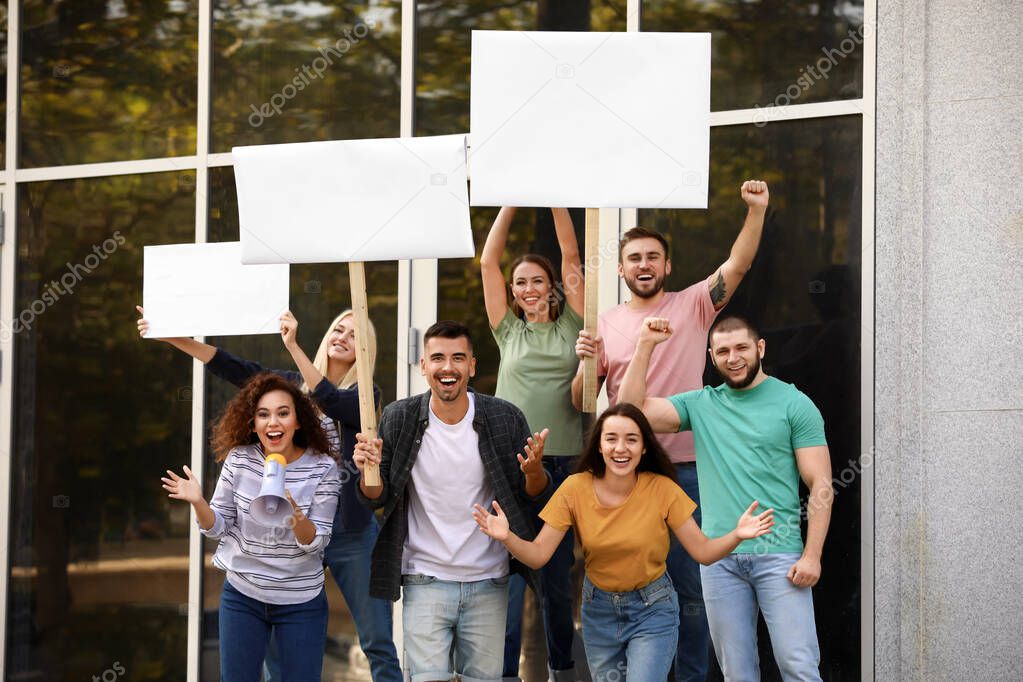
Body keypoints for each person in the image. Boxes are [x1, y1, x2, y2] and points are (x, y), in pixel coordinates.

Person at [571, 180, 770, 681]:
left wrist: (756, 211)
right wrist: (583, 366)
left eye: (653, 257)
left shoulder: (694, 305)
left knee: (691, 591)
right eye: (634, 257)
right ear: (621, 269)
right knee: (633, 586)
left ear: (666, 266)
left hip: (688, 471)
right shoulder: (606, 322)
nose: (644, 264)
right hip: (625, 478)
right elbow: (582, 403)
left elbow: (738, 267)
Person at [137, 306, 401, 681]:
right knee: (280, 647)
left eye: (355, 334)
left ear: (366, 350)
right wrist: (171, 337)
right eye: (339, 329)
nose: (343, 337)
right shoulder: (290, 387)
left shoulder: (364, 395)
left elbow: (328, 399)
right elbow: (231, 367)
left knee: (375, 638)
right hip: (289, 534)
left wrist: (293, 346)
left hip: (348, 534)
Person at [471, 402, 774, 681]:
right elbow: (538, 555)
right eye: (611, 438)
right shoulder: (575, 488)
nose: (621, 448)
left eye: (631, 439)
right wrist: (506, 537)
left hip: (653, 608)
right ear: (599, 446)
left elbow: (703, 552)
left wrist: (737, 535)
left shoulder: (662, 489)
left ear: (644, 448)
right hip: (599, 610)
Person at [618, 315, 833, 681]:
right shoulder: (702, 404)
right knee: (736, 674)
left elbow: (822, 484)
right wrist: (645, 345)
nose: (733, 358)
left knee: (798, 667)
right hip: (719, 559)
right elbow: (629, 411)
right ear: (711, 357)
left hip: (779, 555)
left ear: (760, 348)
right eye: (723, 351)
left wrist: (812, 555)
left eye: (741, 348)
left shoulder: (794, 403)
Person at [352, 320, 552, 682]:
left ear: (472, 366)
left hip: (489, 580)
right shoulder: (399, 418)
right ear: (424, 366)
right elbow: (376, 499)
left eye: (458, 358)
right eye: (438, 358)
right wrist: (369, 471)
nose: (448, 367)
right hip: (424, 578)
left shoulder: (503, 417)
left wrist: (534, 471)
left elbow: (533, 495)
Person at [161, 373, 340, 681]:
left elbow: (317, 541)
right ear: (253, 423)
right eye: (263, 414)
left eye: (283, 413)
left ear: (298, 421)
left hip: (300, 601)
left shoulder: (323, 467)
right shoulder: (240, 460)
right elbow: (216, 527)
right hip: (243, 596)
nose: (273, 422)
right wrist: (198, 502)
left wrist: (291, 507)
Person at [480, 207, 584, 681]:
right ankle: (504, 674)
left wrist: (556, 198)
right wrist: (510, 201)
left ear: (551, 287)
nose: (527, 289)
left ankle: (561, 669)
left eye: (536, 281)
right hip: (511, 463)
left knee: (556, 586)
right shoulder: (507, 331)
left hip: (562, 467)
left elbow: (570, 254)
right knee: (507, 580)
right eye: (519, 282)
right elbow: (487, 263)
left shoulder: (571, 326)